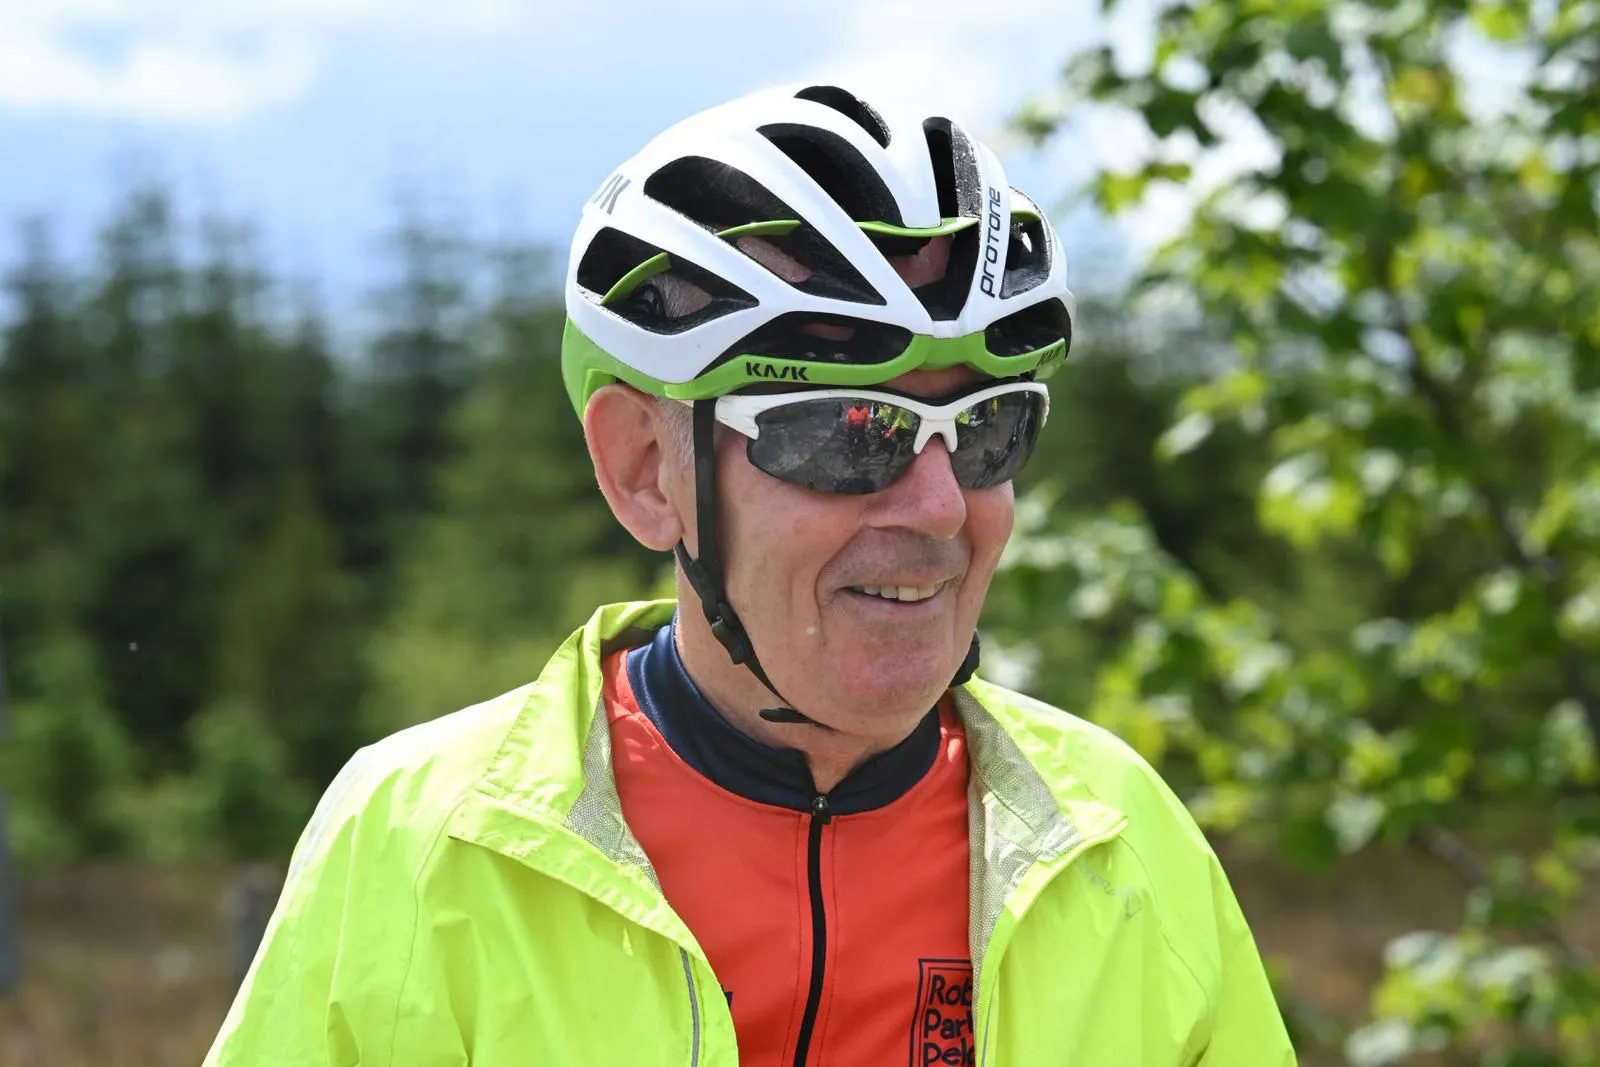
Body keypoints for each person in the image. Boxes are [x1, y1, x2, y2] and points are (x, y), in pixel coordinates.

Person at [204, 82, 1298, 1066]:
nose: (934, 505)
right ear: (645, 469)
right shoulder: (413, 839)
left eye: (987, 428)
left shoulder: (1120, 838)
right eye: (846, 432)